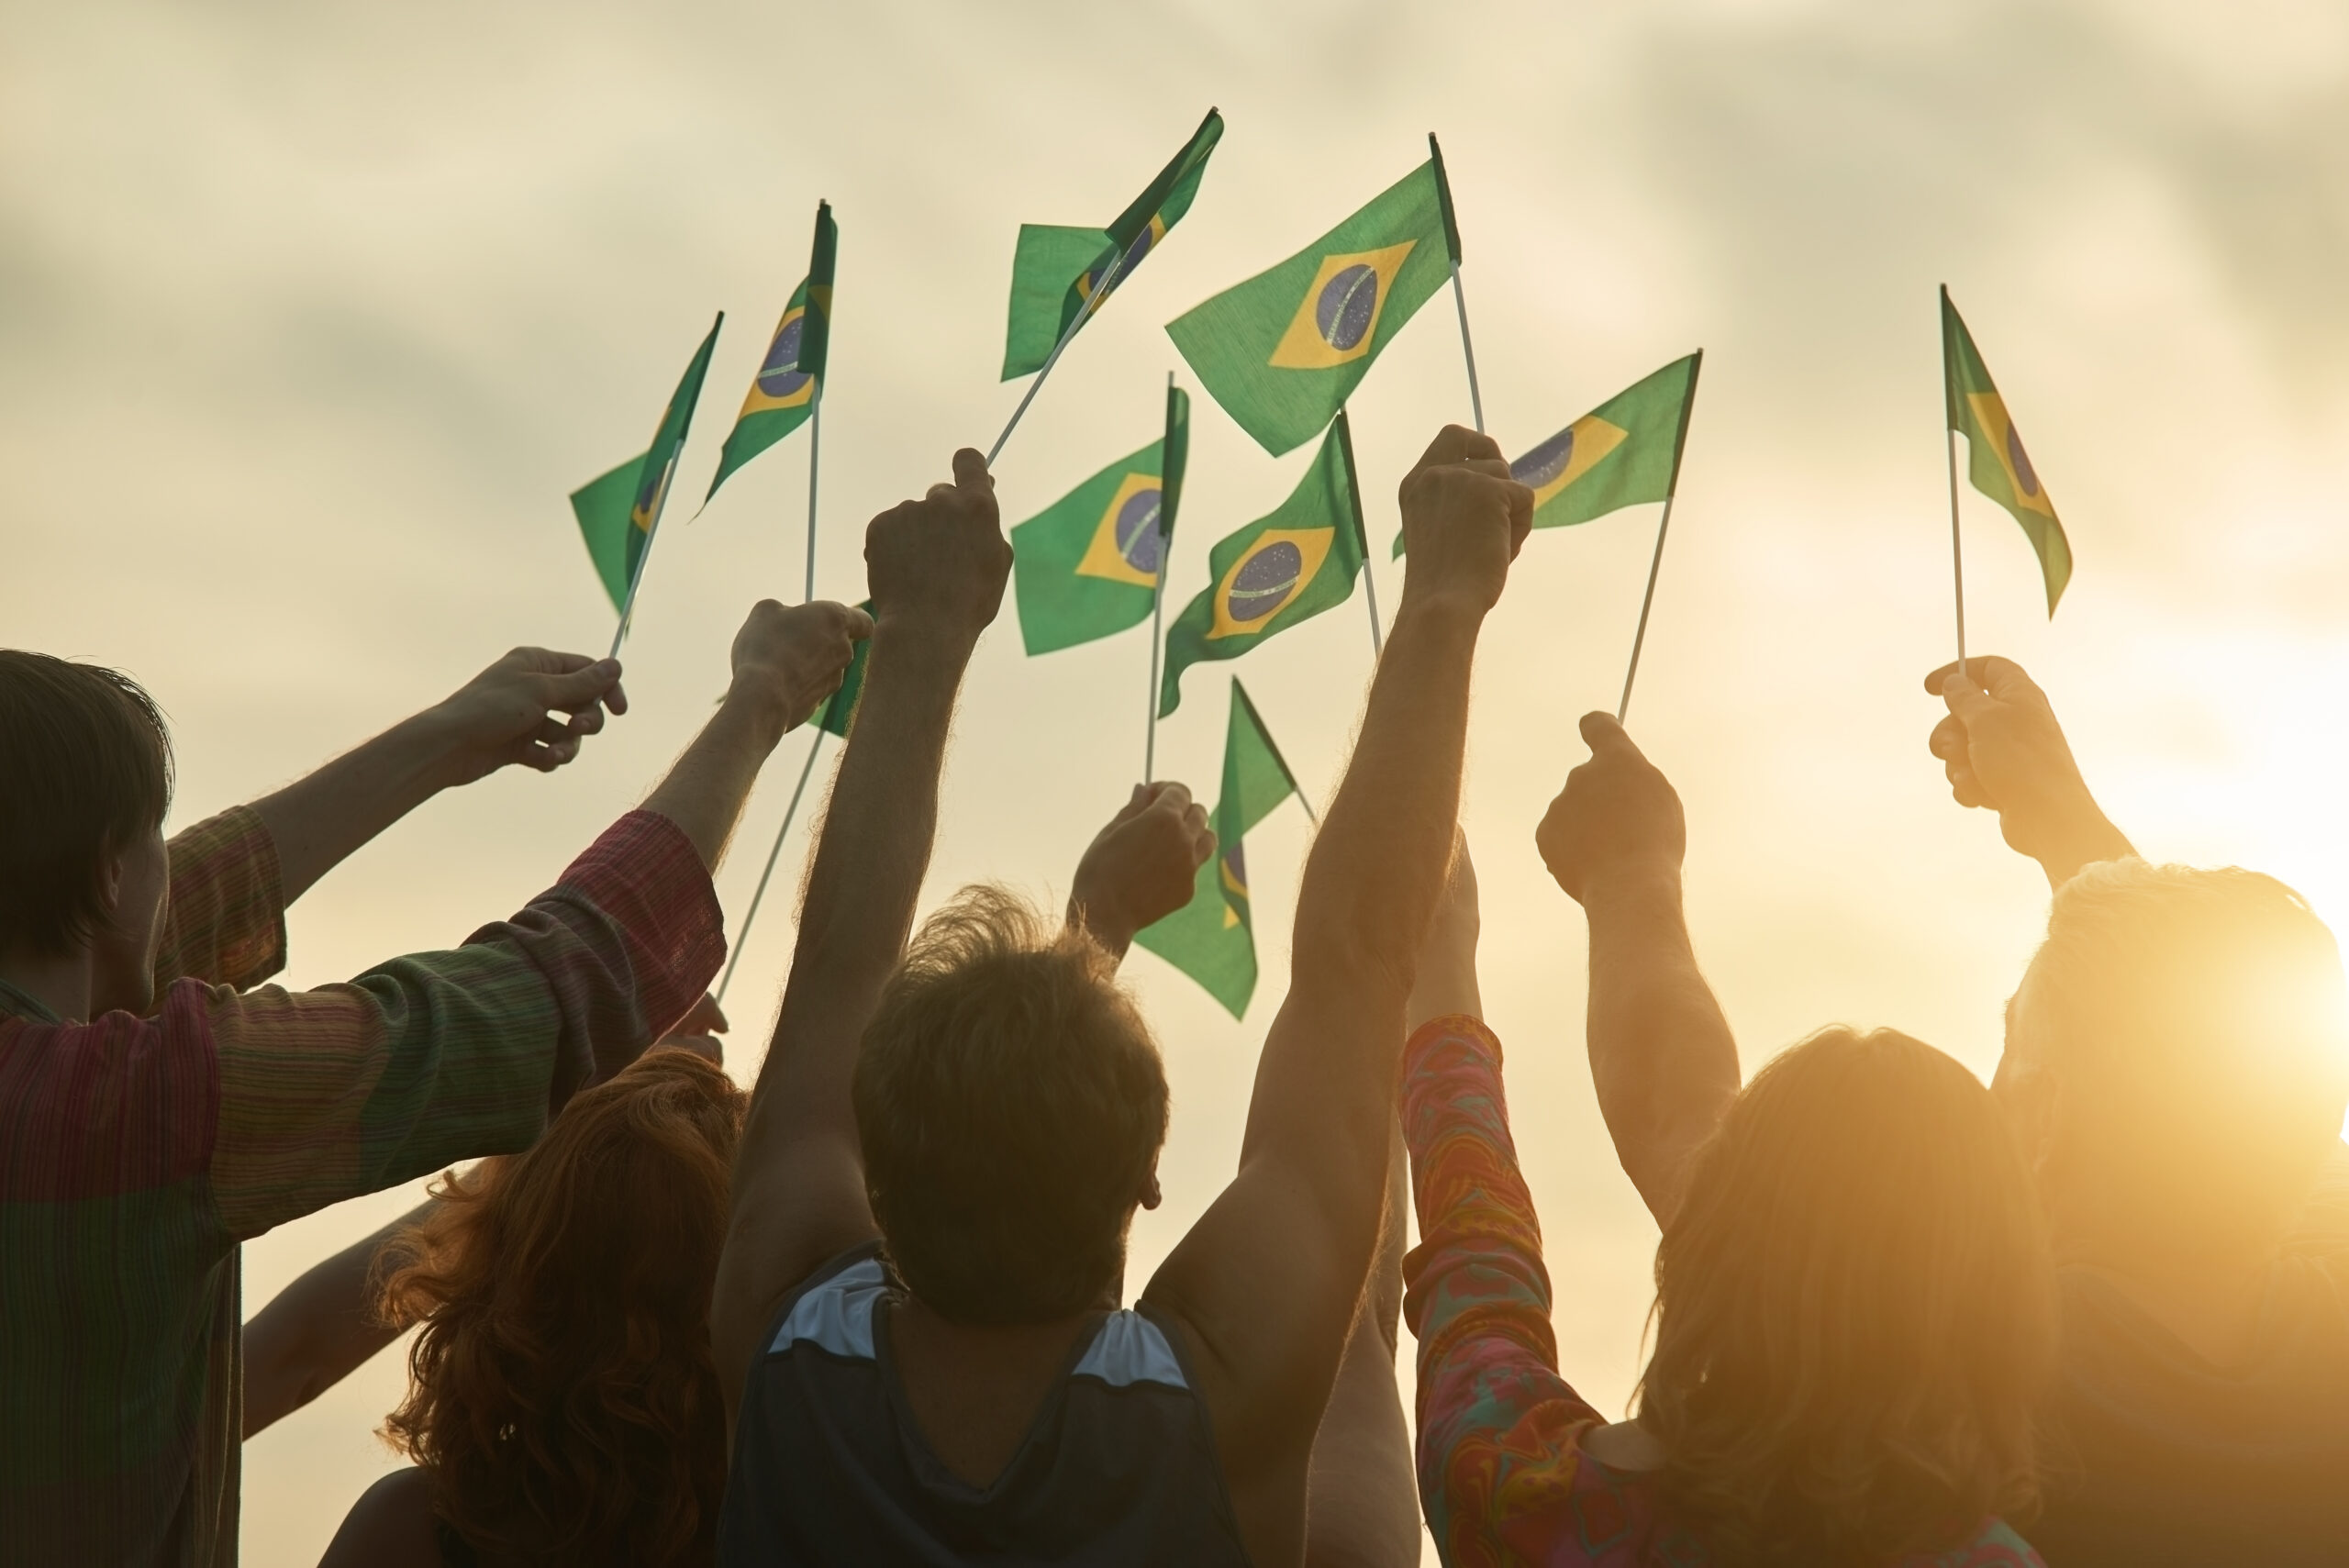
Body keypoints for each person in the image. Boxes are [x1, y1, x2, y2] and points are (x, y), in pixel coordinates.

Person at [707, 431, 1530, 1565]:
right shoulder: (1218, 1395)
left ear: (875, 1161)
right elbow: (1353, 968)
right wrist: (1442, 600)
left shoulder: (781, 1323)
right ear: (1149, 1173)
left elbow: (838, 960)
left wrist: (921, 634)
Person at [0, 601, 866, 1566]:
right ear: (109, 876)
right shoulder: (131, 1102)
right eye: (153, 834)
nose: (177, 864)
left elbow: (191, 895)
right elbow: (561, 978)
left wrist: (444, 739)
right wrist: (762, 698)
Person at [1404, 814, 2057, 1567]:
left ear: (1705, 1238)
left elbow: (1475, 1257)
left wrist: (1438, 947)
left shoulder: (1517, 1492)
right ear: (2004, 1296)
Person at [1921, 656, 2349, 1564]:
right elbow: (2221, 1081)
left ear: (2043, 1118)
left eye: (2011, 1055)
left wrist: (1631, 888)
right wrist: (2055, 814)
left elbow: (1700, 1158)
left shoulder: (1951, 1380)